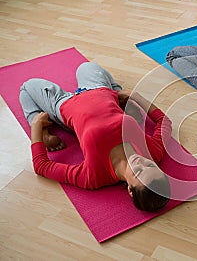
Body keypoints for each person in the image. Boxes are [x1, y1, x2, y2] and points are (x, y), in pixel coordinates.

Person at [19, 62, 172, 211]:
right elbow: (164, 122)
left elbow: (42, 167)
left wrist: (37, 128)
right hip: (100, 91)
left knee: (26, 87)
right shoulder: (153, 152)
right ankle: (122, 100)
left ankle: (42, 126)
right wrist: (136, 97)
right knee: (86, 66)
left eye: (138, 172)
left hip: (65, 105)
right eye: (150, 165)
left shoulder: (94, 176)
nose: (141, 162)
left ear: (130, 190)